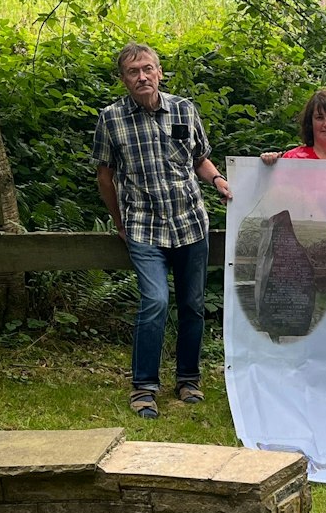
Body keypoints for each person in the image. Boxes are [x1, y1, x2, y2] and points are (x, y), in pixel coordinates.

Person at [92, 42, 231, 419]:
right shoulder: (111, 118)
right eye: (133, 72)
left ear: (159, 72)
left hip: (190, 223)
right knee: (155, 301)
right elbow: (105, 177)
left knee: (193, 305)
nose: (142, 77)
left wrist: (217, 179)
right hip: (144, 226)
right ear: (123, 79)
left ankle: (188, 379)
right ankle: (144, 387)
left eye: (148, 69)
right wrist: (120, 222)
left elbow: (199, 158)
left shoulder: (184, 109)